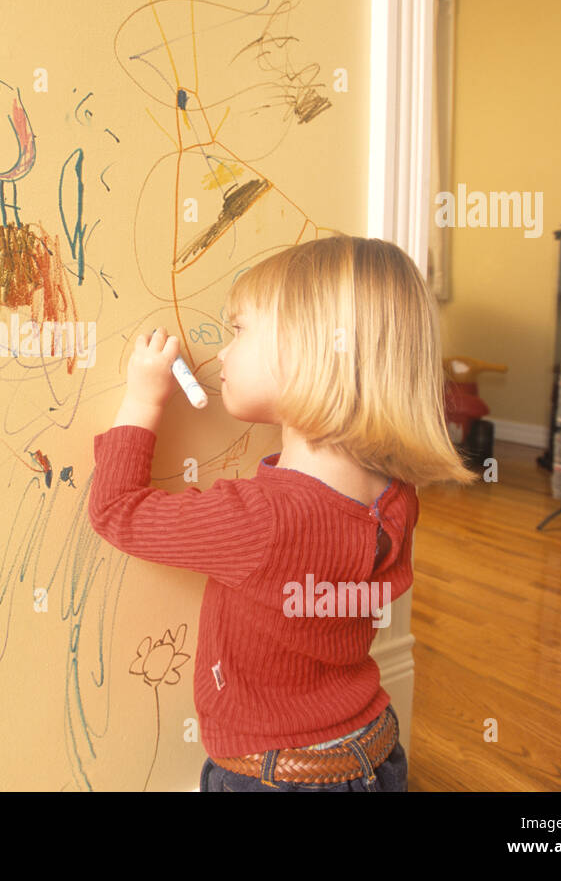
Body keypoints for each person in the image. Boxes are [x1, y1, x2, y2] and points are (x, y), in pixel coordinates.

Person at [87, 235, 478, 791]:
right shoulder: (397, 494)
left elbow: (116, 511)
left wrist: (143, 399)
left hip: (280, 776)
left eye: (239, 330)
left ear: (310, 351)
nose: (222, 351)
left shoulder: (262, 523)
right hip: (373, 747)